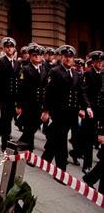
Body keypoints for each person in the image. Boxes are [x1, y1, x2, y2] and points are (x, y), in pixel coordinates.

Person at [41, 45, 91, 174]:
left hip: (71, 113)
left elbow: (81, 92)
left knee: (55, 138)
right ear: (61, 57)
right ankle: (61, 169)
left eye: (70, 57)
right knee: (62, 140)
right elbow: (48, 93)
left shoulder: (75, 73)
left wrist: (86, 107)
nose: (68, 59)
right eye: (66, 57)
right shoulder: (55, 71)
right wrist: (46, 111)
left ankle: (45, 159)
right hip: (59, 112)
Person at [16, 44, 48, 150]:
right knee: (30, 128)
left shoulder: (44, 69)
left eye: (39, 55)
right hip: (28, 103)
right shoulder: (25, 69)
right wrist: (19, 105)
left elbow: (45, 87)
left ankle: (19, 144)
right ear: (30, 56)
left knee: (33, 128)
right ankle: (28, 151)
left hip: (39, 104)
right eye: (34, 55)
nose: (37, 57)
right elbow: (21, 88)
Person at [0, 37, 21, 150]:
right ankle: (5, 144)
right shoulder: (0, 62)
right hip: (4, 96)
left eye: (11, 47)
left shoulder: (17, 63)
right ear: (4, 48)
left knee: (6, 118)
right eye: (7, 47)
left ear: (14, 49)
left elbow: (18, 81)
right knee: (6, 120)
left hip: (13, 96)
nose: (9, 49)